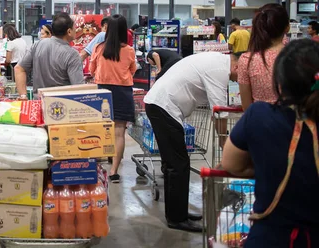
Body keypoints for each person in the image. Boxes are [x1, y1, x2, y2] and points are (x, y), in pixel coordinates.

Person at [221, 39, 319, 247]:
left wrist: (270, 166)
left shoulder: (260, 115)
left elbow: (231, 164)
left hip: (272, 237)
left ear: (280, 82)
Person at [143, 52, 240, 232]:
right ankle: (176, 218)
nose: (238, 80)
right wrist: (224, 141)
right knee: (177, 165)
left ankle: (179, 212)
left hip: (162, 105)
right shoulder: (220, 70)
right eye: (240, 76)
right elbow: (219, 111)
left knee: (175, 164)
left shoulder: (217, 61)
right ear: (236, 66)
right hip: (164, 106)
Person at [89, 14, 136, 183]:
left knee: (101, 130)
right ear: (124, 30)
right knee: (119, 133)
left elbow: (91, 69)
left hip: (102, 91)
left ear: (107, 30)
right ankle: (114, 170)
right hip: (123, 92)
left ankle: (96, 165)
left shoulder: (99, 48)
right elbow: (133, 70)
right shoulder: (129, 50)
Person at [15, 13, 84, 97]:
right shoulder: (73, 55)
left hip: (39, 103)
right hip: (62, 105)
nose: (76, 30)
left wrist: (23, 96)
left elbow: (19, 68)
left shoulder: (38, 44)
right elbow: (79, 89)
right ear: (69, 31)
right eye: (75, 28)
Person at [238, 3, 289, 111]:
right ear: (287, 28)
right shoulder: (299, 57)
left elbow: (247, 107)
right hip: (293, 124)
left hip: (260, 123)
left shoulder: (247, 60)